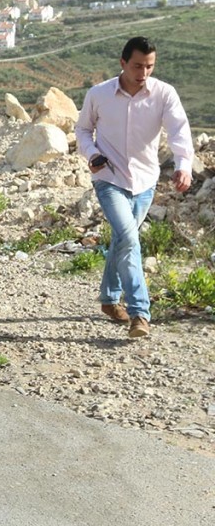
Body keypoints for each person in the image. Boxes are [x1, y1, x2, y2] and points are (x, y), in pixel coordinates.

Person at [75, 36, 194, 339]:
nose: (144, 73)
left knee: (122, 240)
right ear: (123, 63)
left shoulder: (164, 94)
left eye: (150, 66)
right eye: (138, 66)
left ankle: (108, 298)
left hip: (144, 181)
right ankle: (139, 313)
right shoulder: (98, 94)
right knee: (129, 239)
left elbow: (179, 130)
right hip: (109, 178)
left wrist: (183, 165)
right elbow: (83, 130)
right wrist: (92, 154)